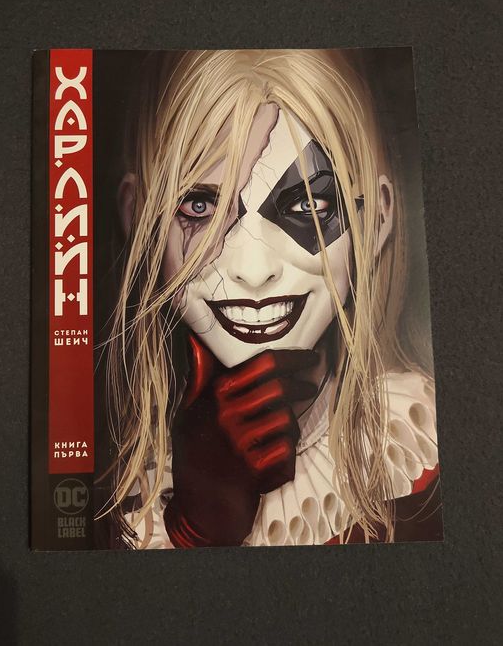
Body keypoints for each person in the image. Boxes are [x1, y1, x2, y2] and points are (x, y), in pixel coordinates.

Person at [102, 49, 441, 548]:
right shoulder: (121, 498)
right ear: (138, 220)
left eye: (308, 203)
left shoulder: (419, 442)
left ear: (375, 219)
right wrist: (192, 533)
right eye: (199, 205)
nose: (255, 269)